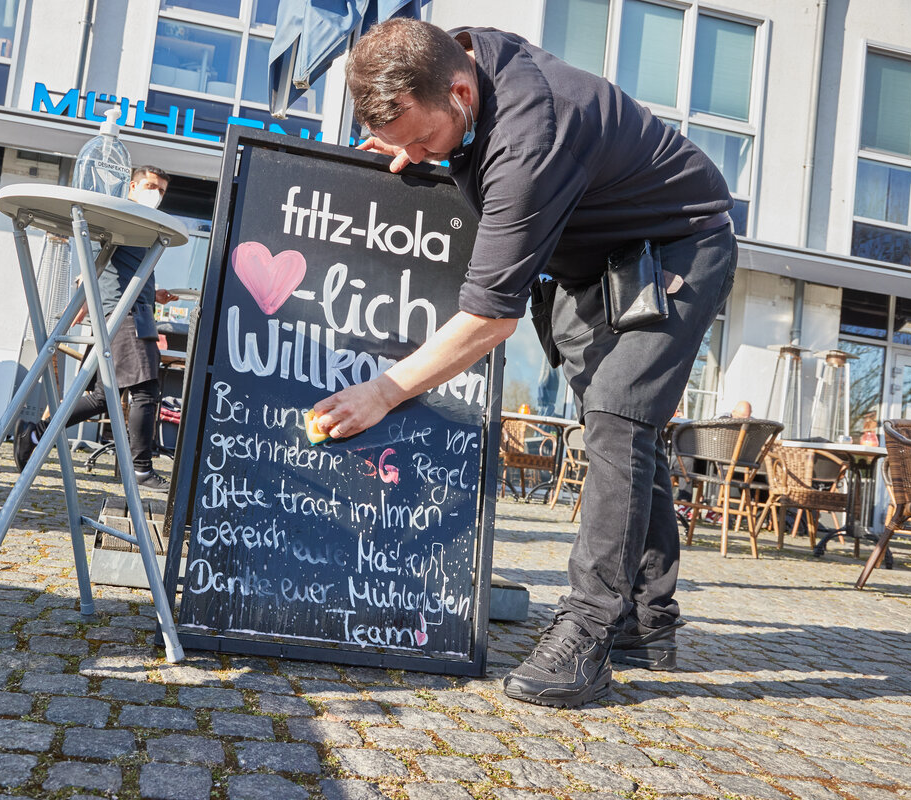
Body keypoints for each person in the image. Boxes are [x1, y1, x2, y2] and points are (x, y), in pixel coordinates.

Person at [312, 20, 737, 707]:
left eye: (422, 137)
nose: (416, 153)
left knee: (619, 419)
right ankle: (646, 621)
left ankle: (587, 635)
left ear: (460, 92)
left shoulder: (532, 132)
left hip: (679, 246)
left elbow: (489, 319)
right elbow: (460, 148)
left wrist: (384, 391)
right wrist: (422, 147)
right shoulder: (461, 69)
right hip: (588, 264)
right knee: (621, 428)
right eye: (405, 143)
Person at [14, 166, 177, 491]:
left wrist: (153, 293)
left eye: (160, 190)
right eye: (149, 186)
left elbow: (120, 270)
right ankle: (141, 470)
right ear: (132, 186)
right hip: (124, 315)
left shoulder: (140, 225)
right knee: (145, 390)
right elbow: (94, 262)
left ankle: (35, 433)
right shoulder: (120, 217)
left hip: (134, 311)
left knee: (105, 397)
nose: (155, 193)